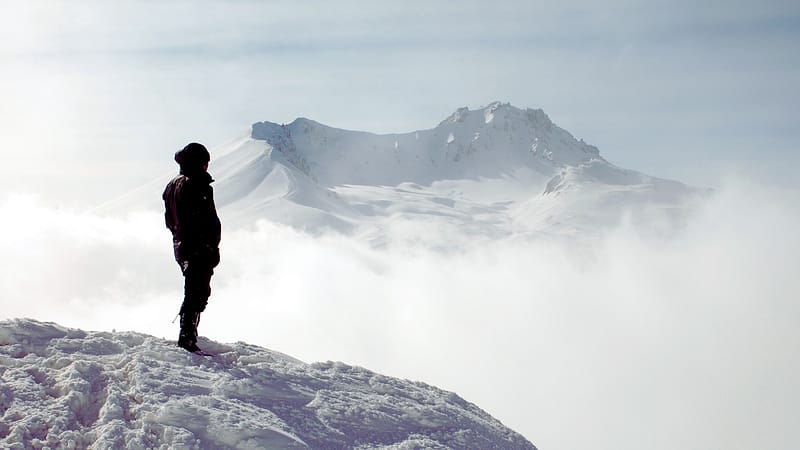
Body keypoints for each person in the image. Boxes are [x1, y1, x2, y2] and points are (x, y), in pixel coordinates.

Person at [163, 142, 221, 352]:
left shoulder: (173, 185)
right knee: (197, 292)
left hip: (184, 245)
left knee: (195, 290)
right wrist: (207, 245)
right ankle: (187, 337)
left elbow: (170, 220)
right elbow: (203, 219)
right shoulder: (195, 185)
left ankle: (188, 335)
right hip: (197, 247)